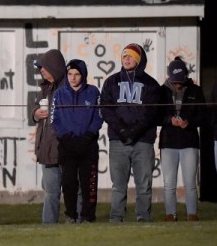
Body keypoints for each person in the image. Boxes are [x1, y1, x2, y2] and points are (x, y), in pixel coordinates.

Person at [100, 43, 165, 223]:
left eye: (130, 56)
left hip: (143, 141)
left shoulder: (151, 84)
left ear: (139, 59)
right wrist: (121, 130)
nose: (126, 59)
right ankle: (116, 217)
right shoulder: (111, 82)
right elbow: (105, 108)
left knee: (144, 184)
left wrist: (135, 131)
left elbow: (152, 112)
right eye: (124, 56)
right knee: (118, 185)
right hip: (117, 141)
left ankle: (143, 216)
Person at [50, 59, 103, 223]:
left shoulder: (93, 92)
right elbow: (54, 119)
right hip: (67, 146)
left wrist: (88, 135)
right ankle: (70, 215)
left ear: (83, 75)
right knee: (68, 183)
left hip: (88, 146)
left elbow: (99, 117)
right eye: (70, 74)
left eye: (77, 74)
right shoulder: (59, 94)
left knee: (89, 184)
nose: (73, 78)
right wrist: (66, 137)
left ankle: (88, 216)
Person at [160, 57, 204, 221]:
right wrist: (168, 120)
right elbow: (156, 115)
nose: (178, 84)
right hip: (168, 143)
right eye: (175, 81)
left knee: (190, 183)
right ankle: (170, 214)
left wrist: (189, 123)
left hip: (189, 142)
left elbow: (203, 116)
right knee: (169, 183)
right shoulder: (161, 91)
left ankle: (192, 214)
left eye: (180, 81)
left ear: (186, 76)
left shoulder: (196, 91)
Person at [31, 49, 66, 224]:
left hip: (66, 147)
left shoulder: (68, 88)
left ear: (54, 67)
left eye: (43, 67)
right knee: (50, 190)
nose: (41, 71)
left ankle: (76, 221)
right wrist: (36, 113)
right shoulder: (44, 88)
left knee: (74, 190)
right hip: (47, 148)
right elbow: (34, 109)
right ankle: (49, 224)